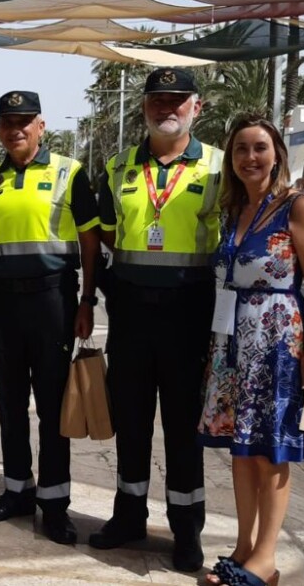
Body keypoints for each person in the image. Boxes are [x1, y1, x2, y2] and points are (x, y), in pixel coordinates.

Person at [91, 68, 222, 572]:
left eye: (177, 100)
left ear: (197, 106)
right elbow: (105, 231)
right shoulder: (118, 166)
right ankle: (128, 516)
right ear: (143, 107)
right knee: (132, 421)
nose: (166, 108)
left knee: (183, 428)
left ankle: (186, 529)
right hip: (132, 315)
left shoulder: (215, 166)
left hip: (190, 316)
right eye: (157, 100)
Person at [198, 115, 304, 586]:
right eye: (240, 151)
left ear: (277, 155)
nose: (249, 158)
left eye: (259, 148)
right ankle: (244, 547)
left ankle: (266, 559)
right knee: (241, 448)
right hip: (233, 343)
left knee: (271, 451)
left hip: (277, 344)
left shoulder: (298, 208)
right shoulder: (235, 210)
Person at [0, 92, 101, 544]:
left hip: (52, 303)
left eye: (25, 121)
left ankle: (55, 504)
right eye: (8, 122)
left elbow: (90, 240)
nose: (16, 129)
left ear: (41, 127)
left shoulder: (70, 172)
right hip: (2, 305)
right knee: (9, 403)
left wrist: (87, 301)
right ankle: (17, 490)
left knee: (51, 407)